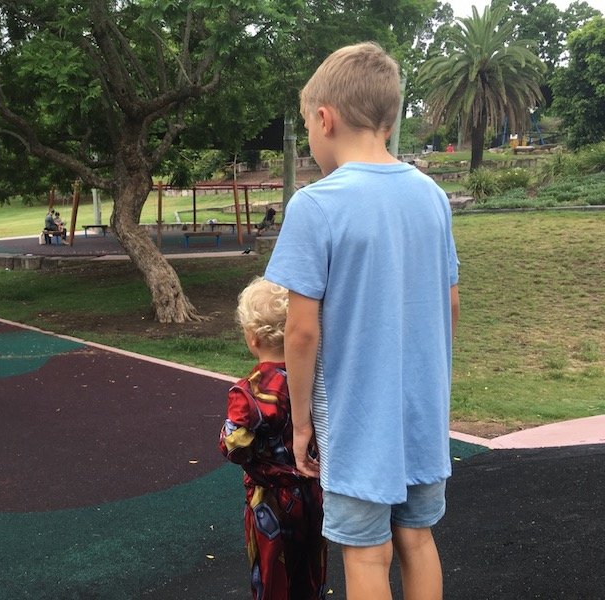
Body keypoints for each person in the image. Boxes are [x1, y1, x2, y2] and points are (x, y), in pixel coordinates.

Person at [264, 42, 460, 600]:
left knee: (367, 555)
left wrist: (301, 423)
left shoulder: (315, 205)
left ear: (324, 118)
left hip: (356, 417)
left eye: (307, 125)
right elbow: (449, 303)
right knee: (417, 539)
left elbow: (301, 332)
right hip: (422, 411)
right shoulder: (432, 197)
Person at [219, 277, 327, 600]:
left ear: (252, 338)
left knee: (271, 575)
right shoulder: (312, 378)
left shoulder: (250, 390)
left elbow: (232, 443)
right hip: (312, 490)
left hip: (268, 499)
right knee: (310, 569)